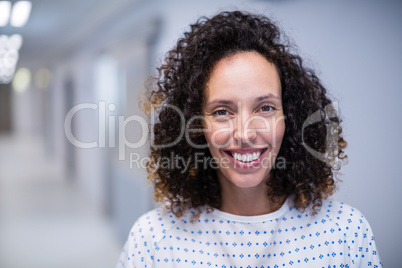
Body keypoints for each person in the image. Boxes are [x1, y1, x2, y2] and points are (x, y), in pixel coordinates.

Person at [117, 11, 382, 268]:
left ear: (290, 118)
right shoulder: (153, 239)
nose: (245, 134)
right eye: (222, 111)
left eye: (265, 108)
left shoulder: (346, 232)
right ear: (196, 125)